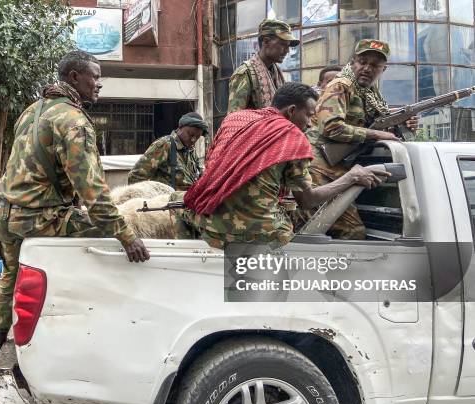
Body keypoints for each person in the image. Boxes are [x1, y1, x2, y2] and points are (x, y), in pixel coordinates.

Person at [0, 50, 150, 375]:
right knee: (113, 228)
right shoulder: (73, 121)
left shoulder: (32, 111)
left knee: (10, 275)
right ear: (75, 78)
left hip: (6, 214)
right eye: (95, 76)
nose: (99, 85)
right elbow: (94, 193)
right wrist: (128, 236)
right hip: (39, 217)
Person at [177, 82, 390, 249]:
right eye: (308, 115)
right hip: (259, 234)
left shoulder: (234, 119)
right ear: (291, 111)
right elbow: (308, 200)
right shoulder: (292, 138)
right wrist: (351, 177)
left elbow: (214, 161)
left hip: (206, 223)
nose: (309, 123)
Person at [307, 39, 418, 240]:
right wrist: (376, 134)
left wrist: (404, 124)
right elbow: (332, 127)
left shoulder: (371, 94)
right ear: (352, 63)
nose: (367, 68)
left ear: (383, 69)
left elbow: (380, 123)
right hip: (320, 166)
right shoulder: (341, 85)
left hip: (341, 167)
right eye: (362, 61)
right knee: (349, 232)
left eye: (375, 65)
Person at [227, 19, 300, 113]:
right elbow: (234, 120)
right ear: (265, 41)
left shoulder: (277, 75)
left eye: (288, 46)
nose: (287, 51)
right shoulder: (245, 73)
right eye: (282, 44)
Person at [127, 112, 207, 191]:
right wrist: (155, 198)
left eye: (197, 137)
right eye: (190, 134)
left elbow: (201, 175)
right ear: (180, 128)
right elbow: (135, 177)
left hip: (188, 201)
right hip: (167, 202)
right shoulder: (165, 145)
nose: (193, 140)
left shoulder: (191, 151)